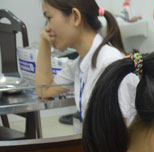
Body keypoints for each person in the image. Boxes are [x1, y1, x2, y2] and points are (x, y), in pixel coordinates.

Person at [36, 0, 138, 132]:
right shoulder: (81, 62)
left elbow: (120, 137)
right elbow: (43, 90)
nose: (47, 28)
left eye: (49, 18)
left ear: (75, 17)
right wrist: (44, 42)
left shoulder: (108, 63)